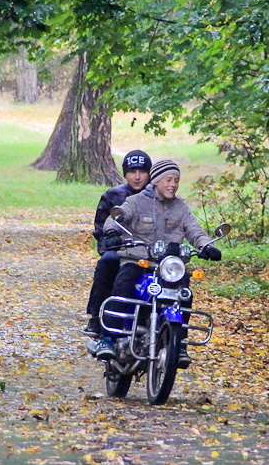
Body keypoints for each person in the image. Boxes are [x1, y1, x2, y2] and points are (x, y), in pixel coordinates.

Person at [94, 159, 222, 364]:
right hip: (137, 260)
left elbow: (195, 230)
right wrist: (110, 231)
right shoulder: (136, 201)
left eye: (176, 180)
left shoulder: (181, 208)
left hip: (168, 266)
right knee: (123, 285)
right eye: (168, 179)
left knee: (184, 294)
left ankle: (179, 343)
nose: (172, 184)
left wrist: (206, 246)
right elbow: (118, 216)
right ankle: (108, 338)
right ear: (155, 181)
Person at [82, 149, 152, 337]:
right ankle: (97, 317)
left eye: (142, 172)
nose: (137, 177)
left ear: (149, 173)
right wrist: (112, 241)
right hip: (121, 250)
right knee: (107, 262)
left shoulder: (159, 196)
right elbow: (100, 228)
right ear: (125, 173)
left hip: (151, 251)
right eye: (132, 172)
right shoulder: (113, 196)